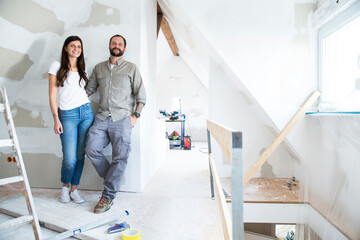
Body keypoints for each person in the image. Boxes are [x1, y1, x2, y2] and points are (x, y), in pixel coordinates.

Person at [85, 34, 146, 214]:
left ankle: (108, 195)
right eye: (114, 43)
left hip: (123, 118)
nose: (117, 46)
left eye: (120, 44)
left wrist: (135, 116)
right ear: (109, 45)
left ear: (124, 48)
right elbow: (88, 90)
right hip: (102, 117)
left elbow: (141, 96)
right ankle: (113, 177)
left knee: (120, 157)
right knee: (91, 148)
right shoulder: (98, 68)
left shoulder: (131, 68)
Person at [49, 36, 94, 204]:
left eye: (79, 46)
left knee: (80, 156)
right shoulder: (56, 66)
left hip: (86, 112)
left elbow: (83, 91)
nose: (76, 49)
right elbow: (52, 97)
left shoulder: (83, 68)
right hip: (67, 115)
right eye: (73, 46)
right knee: (70, 158)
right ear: (66, 48)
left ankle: (74, 189)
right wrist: (56, 119)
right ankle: (65, 187)